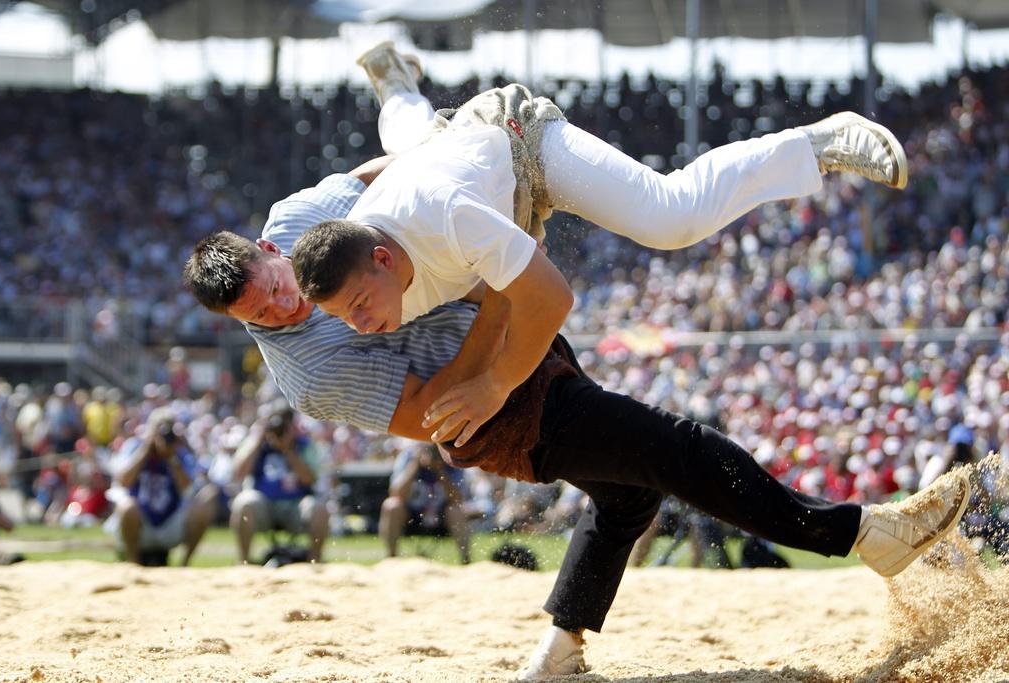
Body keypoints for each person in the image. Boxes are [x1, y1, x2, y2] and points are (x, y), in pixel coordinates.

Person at [183, 43, 970, 680]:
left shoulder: (326, 225)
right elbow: (435, 412)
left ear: (272, 248)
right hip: (493, 356)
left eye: (280, 287)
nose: (290, 308)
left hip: (512, 154)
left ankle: (813, 142)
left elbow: (502, 270)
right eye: (269, 315)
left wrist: (507, 285)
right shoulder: (312, 358)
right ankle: (563, 650)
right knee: (633, 488)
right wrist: (502, 305)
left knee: (669, 218)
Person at [289, 44, 908, 445]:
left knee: (672, 217)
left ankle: (818, 142)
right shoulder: (365, 250)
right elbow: (382, 172)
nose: (361, 325)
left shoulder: (445, 217)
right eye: (345, 317)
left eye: (359, 305)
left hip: (522, 143)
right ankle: (395, 81)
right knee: (410, 139)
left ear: (382, 259)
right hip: (445, 162)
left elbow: (552, 298)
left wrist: (497, 384)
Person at [106, 408, 216, 566]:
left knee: (202, 508)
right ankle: (133, 563)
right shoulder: (134, 446)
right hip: (141, 521)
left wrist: (171, 457)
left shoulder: (180, 452)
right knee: (126, 507)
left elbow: (186, 487)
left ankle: (184, 564)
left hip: (170, 522)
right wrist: (146, 449)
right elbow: (123, 480)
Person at [230, 399, 329, 565]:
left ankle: (315, 562)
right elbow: (239, 473)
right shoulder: (257, 444)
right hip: (264, 506)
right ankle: (244, 562)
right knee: (244, 502)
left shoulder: (304, 445)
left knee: (318, 508)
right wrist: (259, 439)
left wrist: (288, 450)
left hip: (295, 507)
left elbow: (310, 479)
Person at [379, 442, 471, 564]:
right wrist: (415, 465)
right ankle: (391, 558)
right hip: (411, 514)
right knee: (391, 505)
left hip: (441, 515)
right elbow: (396, 493)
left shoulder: (452, 459)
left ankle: (465, 559)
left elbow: (457, 498)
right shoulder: (408, 457)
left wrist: (440, 471)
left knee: (456, 510)